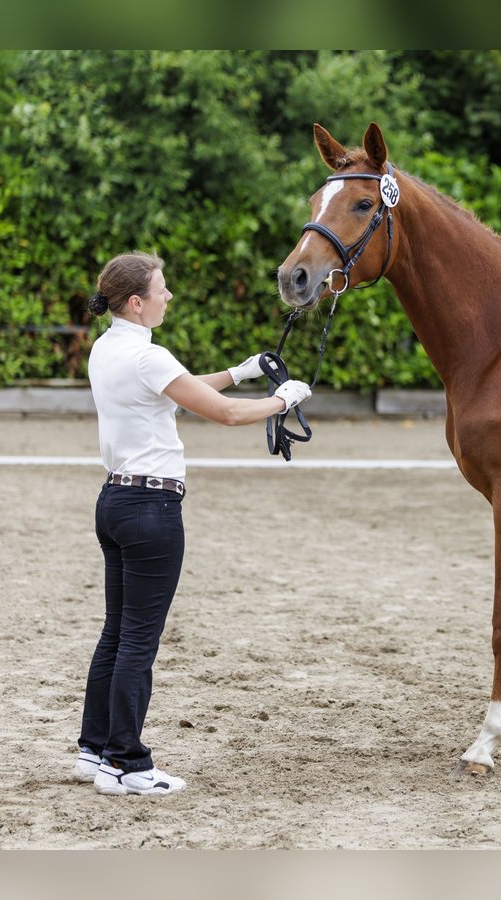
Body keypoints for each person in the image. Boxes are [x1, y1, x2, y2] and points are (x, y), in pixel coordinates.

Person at [71, 250, 311, 796]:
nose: (168, 296)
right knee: (138, 639)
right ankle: (126, 763)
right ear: (137, 303)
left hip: (114, 503)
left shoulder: (110, 347)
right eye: (162, 289)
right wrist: (280, 400)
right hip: (152, 511)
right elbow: (223, 414)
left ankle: (94, 749)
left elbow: (176, 388)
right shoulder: (147, 357)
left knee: (117, 631)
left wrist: (240, 372)